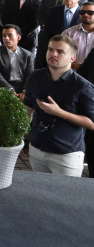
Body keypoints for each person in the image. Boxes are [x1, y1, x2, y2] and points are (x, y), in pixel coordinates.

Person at [23, 35, 94, 177]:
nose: (53, 54)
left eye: (60, 52)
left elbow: (92, 123)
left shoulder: (83, 86)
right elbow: (28, 108)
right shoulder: (35, 76)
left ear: (72, 58)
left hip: (66, 154)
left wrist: (59, 112)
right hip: (37, 149)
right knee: (39, 194)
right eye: (50, 50)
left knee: (66, 198)